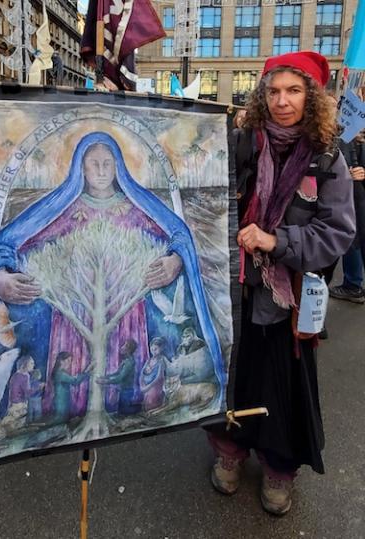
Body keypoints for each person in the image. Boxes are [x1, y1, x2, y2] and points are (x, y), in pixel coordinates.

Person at [0, 132, 225, 450]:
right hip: (75, 310)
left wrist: (176, 260)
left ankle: (122, 412)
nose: (100, 170)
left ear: (119, 167)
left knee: (120, 373)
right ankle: (72, 416)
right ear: (79, 168)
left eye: (107, 164)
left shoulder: (137, 208)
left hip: (125, 309)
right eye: (92, 163)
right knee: (77, 371)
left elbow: (179, 237)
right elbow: (1, 248)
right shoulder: (61, 209)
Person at [207, 51, 355, 516]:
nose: (281, 101)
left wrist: (275, 240)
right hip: (233, 288)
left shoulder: (328, 157)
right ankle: (229, 451)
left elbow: (337, 233)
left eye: (293, 91)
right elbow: (202, 194)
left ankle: (278, 469)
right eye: (273, 91)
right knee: (232, 375)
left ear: (311, 98)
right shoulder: (239, 142)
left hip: (288, 302)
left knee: (281, 387)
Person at [329, 131, 365, 303]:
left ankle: (353, 285)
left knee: (352, 235)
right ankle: (353, 283)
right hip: (352, 193)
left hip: (351, 195)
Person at [96, 339, 141, 415]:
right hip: (123, 390)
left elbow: (120, 378)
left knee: (124, 412)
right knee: (121, 411)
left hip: (127, 391)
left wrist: (105, 381)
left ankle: (140, 407)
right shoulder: (126, 360)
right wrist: (105, 377)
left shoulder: (129, 363)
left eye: (125, 346)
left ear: (129, 350)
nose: (122, 347)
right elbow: (117, 373)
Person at [49, 351, 90, 424]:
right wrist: (87, 371)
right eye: (68, 360)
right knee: (61, 422)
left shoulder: (60, 372)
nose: (70, 363)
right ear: (61, 361)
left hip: (61, 401)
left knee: (62, 422)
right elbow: (75, 381)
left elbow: (72, 379)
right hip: (61, 403)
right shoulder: (61, 374)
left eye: (70, 361)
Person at [139, 337, 168, 412]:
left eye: (156, 349)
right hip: (146, 386)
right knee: (146, 400)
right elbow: (142, 373)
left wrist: (148, 387)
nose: (153, 351)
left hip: (156, 386)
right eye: (152, 349)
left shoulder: (161, 361)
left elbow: (159, 377)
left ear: (161, 349)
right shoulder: (149, 360)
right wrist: (142, 385)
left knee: (152, 400)